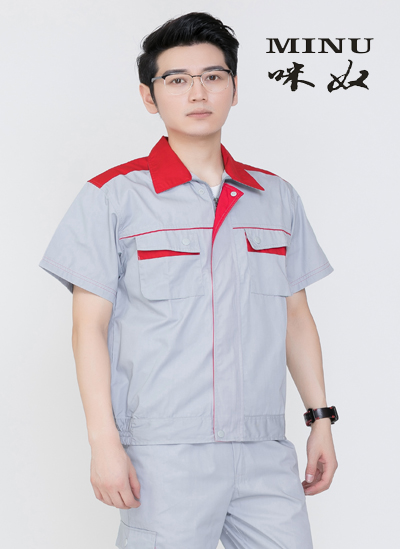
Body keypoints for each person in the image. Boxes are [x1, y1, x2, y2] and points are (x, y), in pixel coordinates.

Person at [38, 11, 338, 549]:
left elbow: (295, 315)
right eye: (177, 79)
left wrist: (320, 419)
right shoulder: (113, 197)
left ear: (235, 89)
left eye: (213, 77)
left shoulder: (276, 197)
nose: (198, 93)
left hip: (264, 448)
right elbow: (89, 328)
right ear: (149, 96)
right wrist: (103, 441)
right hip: (164, 454)